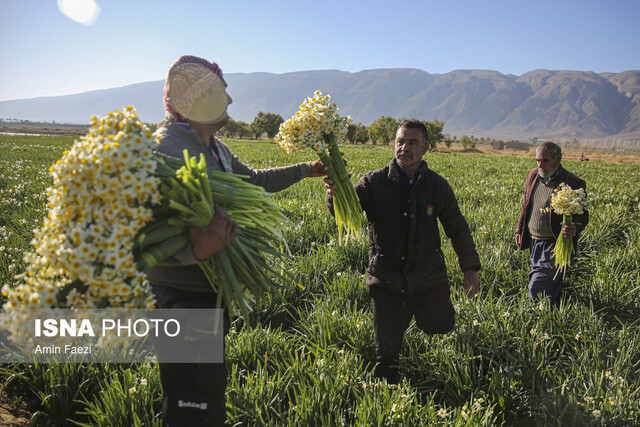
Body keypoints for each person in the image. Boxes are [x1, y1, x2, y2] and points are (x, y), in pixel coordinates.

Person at [147, 55, 328, 426]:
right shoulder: (164, 150)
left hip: (209, 294)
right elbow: (139, 232)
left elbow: (253, 181)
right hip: (181, 298)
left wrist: (305, 170)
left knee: (204, 393)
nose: (229, 101)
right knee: (192, 406)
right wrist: (194, 251)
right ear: (195, 100)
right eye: (220, 92)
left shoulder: (213, 147)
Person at [325, 119, 481, 383]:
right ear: (393, 144)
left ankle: (414, 312)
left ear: (426, 148)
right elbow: (346, 207)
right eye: (400, 142)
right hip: (387, 278)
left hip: (427, 276)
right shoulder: (374, 182)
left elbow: (458, 228)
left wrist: (470, 268)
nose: (405, 148)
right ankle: (388, 396)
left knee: (440, 324)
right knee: (386, 353)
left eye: (412, 143)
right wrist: (335, 194)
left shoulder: (437, 186)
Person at [515, 141, 589, 305]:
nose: (540, 165)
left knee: (538, 284)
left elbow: (583, 215)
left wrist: (575, 228)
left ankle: (534, 318)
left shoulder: (573, 183)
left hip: (555, 243)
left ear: (559, 158)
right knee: (547, 283)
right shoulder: (533, 175)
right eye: (537, 160)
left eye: (545, 161)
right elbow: (526, 205)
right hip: (534, 241)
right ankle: (550, 315)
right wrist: (519, 230)